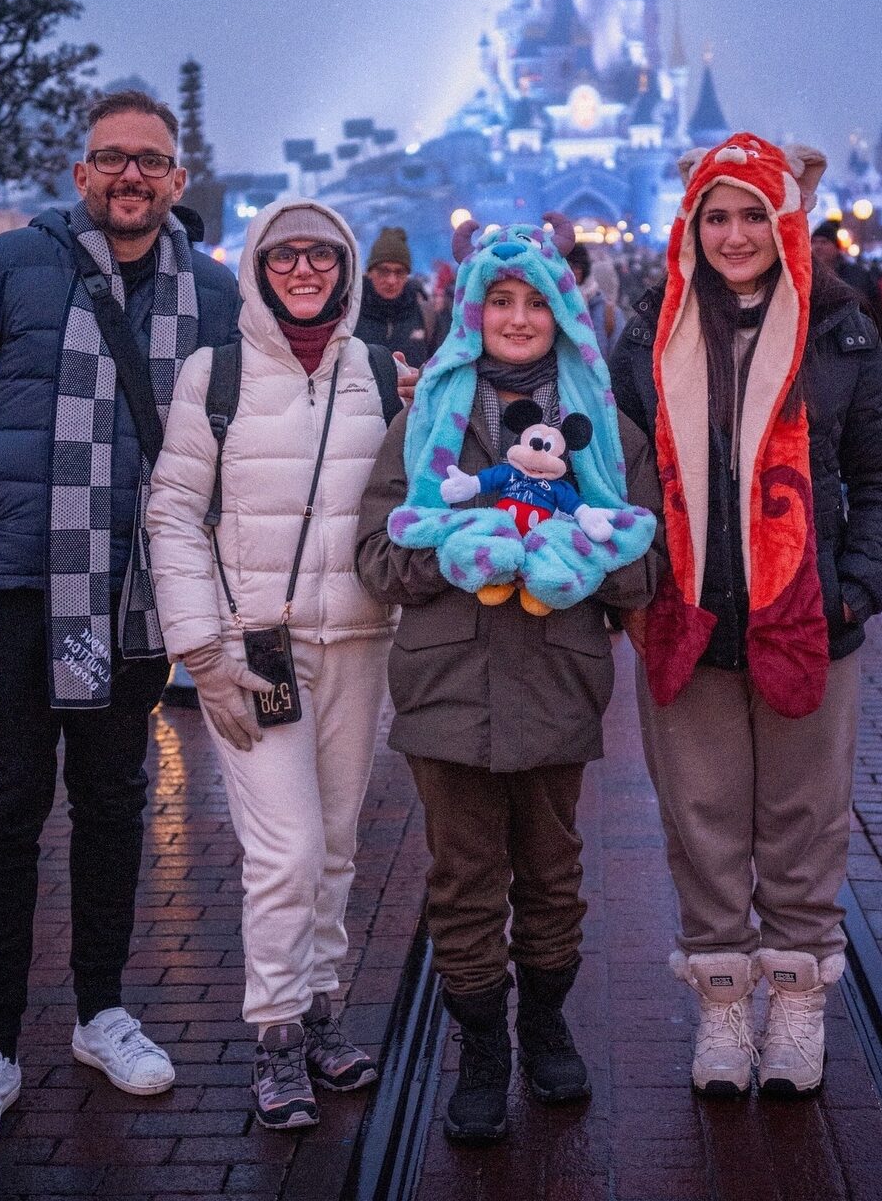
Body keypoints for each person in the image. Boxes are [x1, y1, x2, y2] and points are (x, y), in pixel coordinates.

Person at [0, 89, 240, 1159]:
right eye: (111, 158)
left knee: (113, 800)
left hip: (135, 594)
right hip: (10, 587)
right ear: (79, 172)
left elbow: (249, 432)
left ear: (178, 180)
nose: (131, 176)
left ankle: (100, 1011)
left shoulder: (216, 294)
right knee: (4, 810)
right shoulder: (4, 271)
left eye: (152, 160)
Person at [610, 135, 882, 1099]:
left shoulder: (839, 327)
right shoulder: (647, 335)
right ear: (691, 226)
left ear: (784, 221)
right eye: (717, 215)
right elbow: (617, 478)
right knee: (702, 822)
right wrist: (640, 584)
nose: (735, 234)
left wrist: (853, 588)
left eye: (752, 213)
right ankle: (722, 1006)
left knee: (804, 821)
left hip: (810, 620)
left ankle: (794, 1002)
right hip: (688, 621)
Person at [357, 213, 661, 1144]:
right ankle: (483, 1047)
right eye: (502, 301)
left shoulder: (605, 430)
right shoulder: (423, 428)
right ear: (473, 312)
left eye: (536, 302)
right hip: (445, 684)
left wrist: (564, 549)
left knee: (553, 871)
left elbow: (641, 569)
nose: (519, 318)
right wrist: (459, 550)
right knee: (462, 880)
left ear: (564, 313)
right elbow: (377, 555)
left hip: (555, 681)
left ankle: (546, 1024)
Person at [146, 200, 395, 1131]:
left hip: (359, 645)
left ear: (345, 265)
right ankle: (278, 1031)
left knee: (333, 847)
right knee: (284, 851)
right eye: (285, 254)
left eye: (321, 255)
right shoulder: (215, 375)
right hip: (252, 655)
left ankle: (322, 1009)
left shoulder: (375, 372)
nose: (303, 269)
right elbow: (172, 510)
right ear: (257, 265)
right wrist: (203, 651)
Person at [354, 226, 439, 362]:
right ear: (370, 272)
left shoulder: (425, 314)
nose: (391, 280)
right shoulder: (349, 312)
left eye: (399, 272)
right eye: (383, 271)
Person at [566, 241, 625, 361]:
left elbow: (619, 361)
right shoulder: (551, 308)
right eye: (569, 266)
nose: (574, 271)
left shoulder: (609, 312)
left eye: (578, 266)